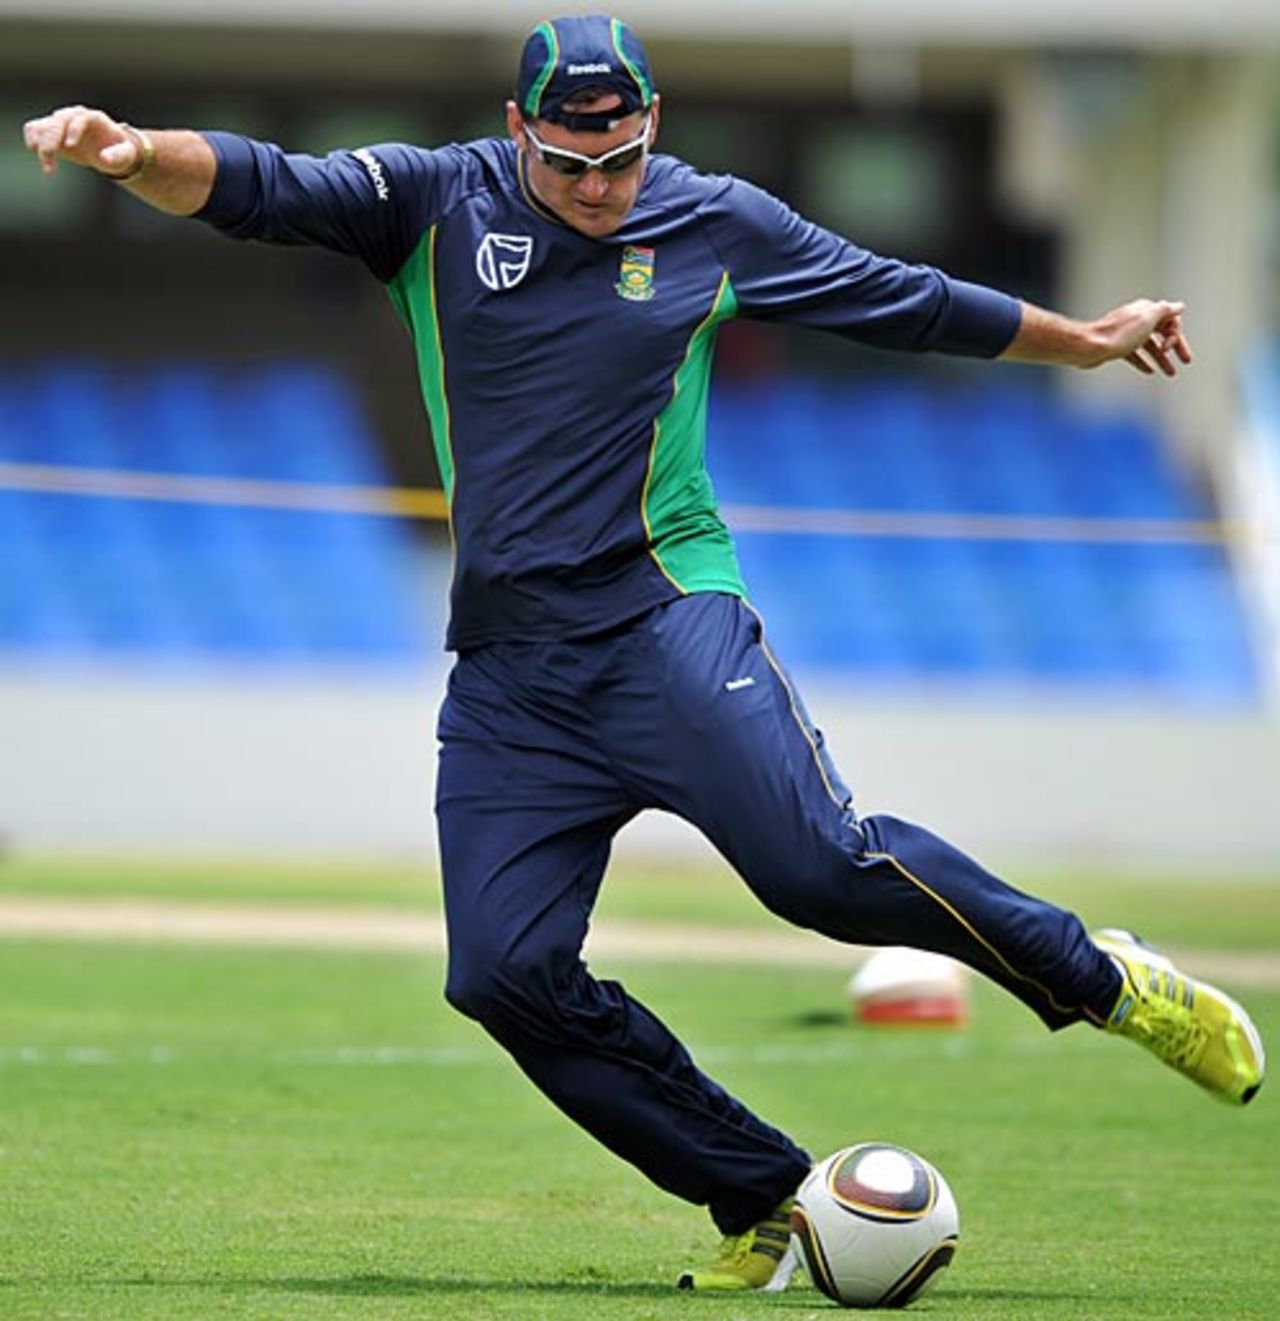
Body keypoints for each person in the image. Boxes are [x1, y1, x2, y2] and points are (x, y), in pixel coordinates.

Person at [24, 13, 1264, 1294]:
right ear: (518, 134)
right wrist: (126, 155)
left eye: (619, 159)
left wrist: (1081, 336)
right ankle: (763, 1199)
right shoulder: (436, 203)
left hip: (665, 622)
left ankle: (1106, 980)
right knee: (499, 973)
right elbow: (257, 184)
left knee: (820, 873)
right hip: (511, 677)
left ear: (650, 127)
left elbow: (900, 299)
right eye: (569, 164)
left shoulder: (714, 221)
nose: (599, 188)